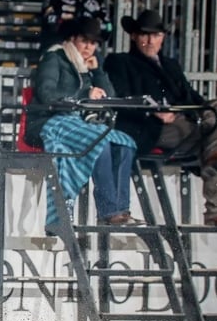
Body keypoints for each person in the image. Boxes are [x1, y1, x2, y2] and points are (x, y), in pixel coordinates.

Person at [104, 9, 217, 226]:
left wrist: (194, 110)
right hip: (151, 127)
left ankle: (215, 206)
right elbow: (120, 96)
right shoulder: (120, 62)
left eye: (155, 35)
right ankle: (215, 208)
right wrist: (153, 110)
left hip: (185, 124)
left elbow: (193, 97)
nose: (150, 41)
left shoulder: (170, 65)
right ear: (134, 36)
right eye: (144, 35)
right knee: (216, 140)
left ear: (163, 37)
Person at [26, 17, 140, 233]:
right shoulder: (55, 57)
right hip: (49, 121)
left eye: (93, 43)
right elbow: (46, 94)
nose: (89, 47)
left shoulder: (88, 64)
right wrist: (84, 94)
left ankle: (120, 209)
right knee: (101, 142)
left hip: (78, 123)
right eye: (84, 41)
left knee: (125, 142)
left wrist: (97, 72)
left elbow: (109, 97)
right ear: (73, 39)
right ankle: (109, 211)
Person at [38, 0, 112, 55]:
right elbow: (50, 22)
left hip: (87, 51)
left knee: (99, 61)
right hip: (58, 47)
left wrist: (87, 26)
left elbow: (107, 29)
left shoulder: (97, 2)